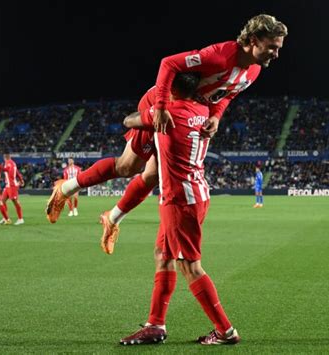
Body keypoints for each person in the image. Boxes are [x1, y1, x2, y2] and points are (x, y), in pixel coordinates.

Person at [46, 14, 287, 251]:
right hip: (161, 105)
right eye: (272, 47)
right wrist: (160, 107)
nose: (276, 54)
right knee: (128, 167)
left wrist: (215, 116)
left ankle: (112, 219)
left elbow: (228, 94)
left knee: (153, 176)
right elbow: (168, 63)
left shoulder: (253, 70)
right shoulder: (220, 56)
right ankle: (65, 189)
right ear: (254, 40)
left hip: (184, 112)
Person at [120, 72, 239, 346]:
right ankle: (155, 325)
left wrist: (155, 106)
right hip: (195, 191)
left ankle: (225, 331)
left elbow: (129, 120)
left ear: (170, 90)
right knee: (163, 255)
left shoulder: (168, 112)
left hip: (179, 200)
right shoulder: (203, 109)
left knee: (190, 266)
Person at [0, 153, 25, 225]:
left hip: (12, 185)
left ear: (5, 157)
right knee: (2, 201)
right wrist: (21, 179)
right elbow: (17, 172)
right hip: (8, 185)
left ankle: (20, 219)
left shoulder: (10, 163)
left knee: (15, 201)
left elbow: (10, 171)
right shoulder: (9, 163)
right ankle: (5, 218)